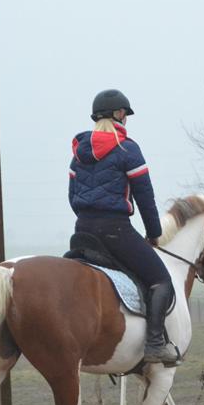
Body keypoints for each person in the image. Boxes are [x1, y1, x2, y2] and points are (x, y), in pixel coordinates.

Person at [68, 88, 180, 364]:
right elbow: (144, 197)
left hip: (82, 231)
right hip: (115, 230)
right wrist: (154, 233)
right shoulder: (127, 149)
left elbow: (72, 197)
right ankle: (155, 344)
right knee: (160, 280)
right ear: (119, 115)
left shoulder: (77, 153)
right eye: (125, 114)